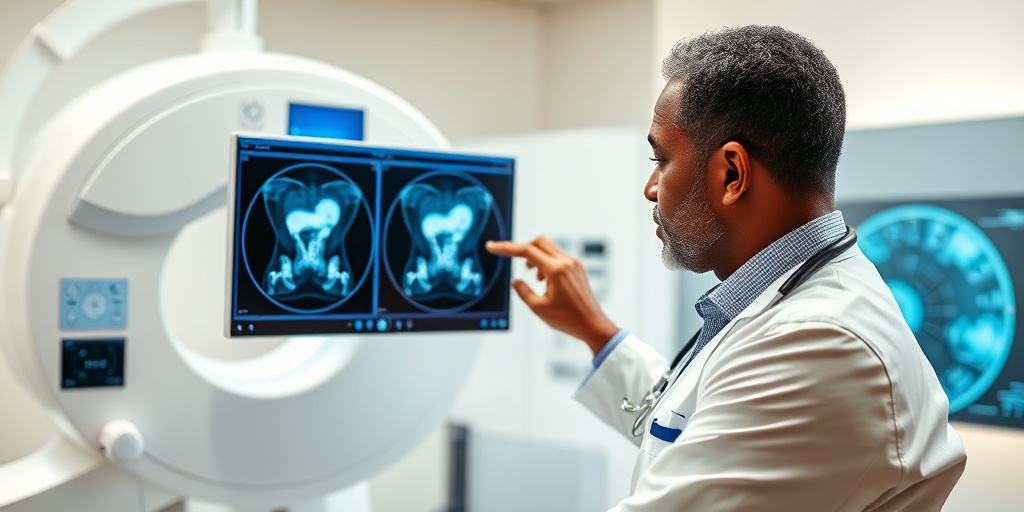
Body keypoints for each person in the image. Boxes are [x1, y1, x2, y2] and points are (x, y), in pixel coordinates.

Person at [485, 25, 967, 511]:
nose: (651, 188)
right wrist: (594, 330)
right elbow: (697, 426)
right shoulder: (799, 310)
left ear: (732, 173)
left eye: (661, 159)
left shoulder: (818, 344)